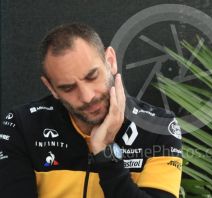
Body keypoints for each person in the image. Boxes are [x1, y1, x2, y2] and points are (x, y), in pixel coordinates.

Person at [0, 23, 182, 197]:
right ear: (51, 87)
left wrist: (105, 154)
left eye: (92, 76)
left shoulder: (157, 126)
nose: (87, 97)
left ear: (110, 62)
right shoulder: (21, 125)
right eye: (68, 88)